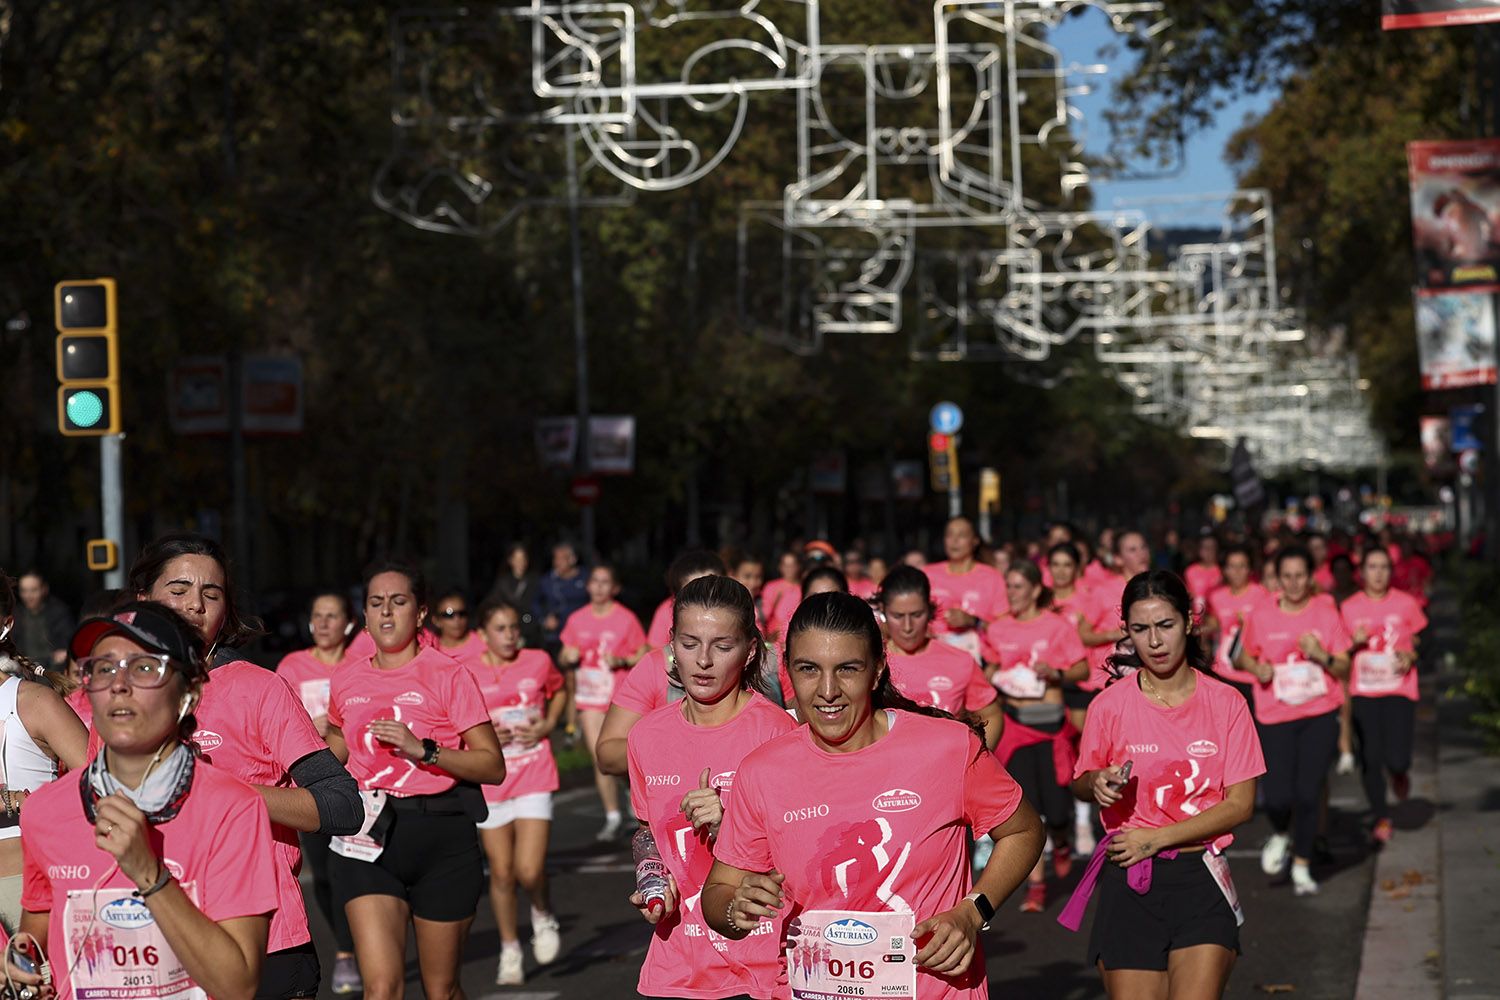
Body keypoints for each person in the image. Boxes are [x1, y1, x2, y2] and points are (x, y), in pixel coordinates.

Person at [702, 592, 1044, 1000]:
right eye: (809, 669)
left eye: (847, 669)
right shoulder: (762, 771)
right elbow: (718, 891)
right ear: (788, 672)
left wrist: (973, 911)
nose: (828, 690)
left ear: (877, 669)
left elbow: (1024, 831)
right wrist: (734, 908)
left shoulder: (948, 748)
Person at [128, 532, 362, 998]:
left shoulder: (260, 689)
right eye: (178, 591)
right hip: (150, 941)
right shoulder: (118, 693)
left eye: (210, 594)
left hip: (265, 942)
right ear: (143, 602)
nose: (195, 604)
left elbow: (342, 805)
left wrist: (219, 789)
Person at [16, 602, 280, 999]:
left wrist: (150, 875)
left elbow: (237, 986)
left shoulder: (233, 808)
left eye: (143, 668)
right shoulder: (44, 811)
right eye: (103, 669)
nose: (119, 684)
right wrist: (22, 965)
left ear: (188, 695)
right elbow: (34, 938)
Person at [1063, 571, 1264, 999]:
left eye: (1165, 626)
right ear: (1127, 632)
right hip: (1130, 878)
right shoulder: (1108, 706)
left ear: (1189, 623)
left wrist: (1156, 838)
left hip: (1200, 876)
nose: (1154, 641)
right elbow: (1080, 782)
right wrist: (1096, 782)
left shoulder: (1226, 703)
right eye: (1140, 629)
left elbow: (1241, 804)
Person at [324, 560, 506, 1000]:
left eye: (399, 602)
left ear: (421, 612)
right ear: (363, 615)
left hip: (441, 835)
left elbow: (492, 766)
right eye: (376, 603)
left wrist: (424, 750)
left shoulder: (448, 674)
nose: (387, 613)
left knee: (440, 989)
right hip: (366, 837)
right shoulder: (347, 679)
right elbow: (334, 748)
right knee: (382, 988)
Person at [625, 576, 797, 998]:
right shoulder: (646, 736)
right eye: (689, 643)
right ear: (671, 645)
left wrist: (732, 826)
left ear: (750, 650)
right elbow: (650, 832)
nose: (703, 660)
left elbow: (806, 855)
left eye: (722, 646)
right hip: (677, 967)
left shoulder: (778, 733)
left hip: (761, 968)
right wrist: (655, 878)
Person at [1234, 546, 1352, 896]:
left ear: (1311, 576)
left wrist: (1322, 655)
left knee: (1308, 791)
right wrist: (1257, 668)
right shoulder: (1261, 613)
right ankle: (1281, 833)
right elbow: (1240, 657)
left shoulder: (1326, 611)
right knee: (1277, 797)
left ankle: (1301, 863)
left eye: (1300, 575)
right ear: (1277, 578)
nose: (1294, 583)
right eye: (1287, 576)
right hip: (1274, 714)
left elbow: (1344, 666)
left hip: (1319, 711)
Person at [463, 599, 566, 985]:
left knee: (528, 868)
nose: (509, 635)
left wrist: (549, 725)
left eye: (513, 627)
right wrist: (484, 736)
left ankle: (542, 912)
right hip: (491, 780)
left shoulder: (538, 659)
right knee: (503, 873)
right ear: (482, 635)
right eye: (500, 628)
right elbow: (457, 719)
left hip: (534, 771)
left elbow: (559, 690)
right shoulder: (467, 671)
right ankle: (509, 948)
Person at [983, 562, 1089, 911]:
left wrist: (1054, 672)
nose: (1010, 593)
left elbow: (1082, 669)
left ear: (1033, 589)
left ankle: (1061, 841)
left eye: (1016, 586)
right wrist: (996, 674)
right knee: (1028, 809)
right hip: (1015, 724)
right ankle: (1037, 888)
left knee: (1057, 811)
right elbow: (990, 669)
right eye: (1008, 587)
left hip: (1050, 726)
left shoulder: (1055, 626)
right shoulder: (998, 629)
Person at [276, 591, 362, 994]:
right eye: (318, 615)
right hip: (311, 786)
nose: (324, 623)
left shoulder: (359, 664)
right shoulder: (291, 667)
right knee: (325, 876)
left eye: (333, 615)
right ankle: (347, 952)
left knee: (358, 873)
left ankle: (367, 943)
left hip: (363, 781)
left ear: (348, 623)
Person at [0, 572, 89, 934]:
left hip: (25, 888)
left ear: (5, 624)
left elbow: (101, 787)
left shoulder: (34, 701)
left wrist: (22, 801)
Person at [1338, 548, 1428, 845]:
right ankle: (1381, 816)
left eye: (1384, 567)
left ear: (1391, 571)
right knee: (1371, 757)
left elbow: (1418, 640)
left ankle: (1400, 775)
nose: (1378, 573)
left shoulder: (1406, 603)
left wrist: (1410, 654)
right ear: (1361, 572)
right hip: (1364, 691)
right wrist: (1354, 643)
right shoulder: (1348, 608)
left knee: (1398, 758)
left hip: (1399, 689)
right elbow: (1338, 652)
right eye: (1372, 567)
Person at [559, 564, 650, 841]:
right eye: (594, 581)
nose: (598, 587)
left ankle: (630, 794)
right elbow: (563, 656)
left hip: (620, 697)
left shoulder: (626, 619)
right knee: (601, 756)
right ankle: (612, 817)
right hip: (589, 698)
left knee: (621, 758)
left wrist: (622, 660)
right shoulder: (576, 619)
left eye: (604, 582)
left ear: (614, 588)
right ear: (588, 586)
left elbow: (643, 653)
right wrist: (568, 656)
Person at [877, 566, 1002, 750]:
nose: (907, 626)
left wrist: (975, 760)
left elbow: (992, 714)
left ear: (929, 609)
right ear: (883, 611)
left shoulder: (960, 661)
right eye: (898, 616)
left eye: (916, 615)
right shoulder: (873, 662)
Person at [924, 517, 1006, 664]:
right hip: (934, 657)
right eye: (950, 535)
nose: (954, 541)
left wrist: (973, 621)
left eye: (961, 535)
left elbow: (1005, 627)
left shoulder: (992, 577)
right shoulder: (928, 574)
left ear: (975, 541)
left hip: (979, 660)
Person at [1080, 530, 1153, 692]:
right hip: (1107, 681)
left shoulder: (1157, 588)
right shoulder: (1103, 591)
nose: (1141, 554)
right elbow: (1082, 635)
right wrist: (1113, 634)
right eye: (1132, 550)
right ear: (1118, 559)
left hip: (1146, 680)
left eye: (1144, 547)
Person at [1203, 545, 1269, 700]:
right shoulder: (1216, 597)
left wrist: (1249, 623)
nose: (1237, 572)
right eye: (1232, 567)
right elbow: (1213, 624)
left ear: (1250, 569)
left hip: (1251, 673)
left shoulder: (1261, 594)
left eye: (1242, 566)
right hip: (1223, 672)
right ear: (1224, 570)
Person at [646, 550, 728, 647]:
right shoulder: (665, 612)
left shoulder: (739, 613)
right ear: (675, 599)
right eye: (693, 595)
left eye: (711, 590)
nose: (705, 601)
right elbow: (655, 649)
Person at [536, 542, 589, 654]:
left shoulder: (586, 578)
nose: (557, 562)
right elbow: (534, 604)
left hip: (583, 634)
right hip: (556, 636)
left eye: (562, 559)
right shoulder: (547, 581)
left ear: (572, 559)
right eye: (555, 559)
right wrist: (544, 619)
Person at [13, 571, 72, 669]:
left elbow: (67, 640)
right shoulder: (16, 615)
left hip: (52, 667)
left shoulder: (58, 612)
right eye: (24, 591)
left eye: (33, 590)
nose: (28, 596)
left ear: (44, 589)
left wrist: (62, 652)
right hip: (24, 668)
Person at [489, 542, 542, 647]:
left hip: (530, 630)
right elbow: (494, 603)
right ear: (510, 561)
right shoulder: (503, 582)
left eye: (523, 559)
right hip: (510, 629)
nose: (520, 563)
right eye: (516, 559)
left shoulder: (535, 580)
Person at [428, 589, 486, 660]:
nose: (457, 619)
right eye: (449, 615)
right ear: (436, 621)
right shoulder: (430, 648)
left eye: (462, 613)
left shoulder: (484, 642)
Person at [760, 549, 802, 644]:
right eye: (786, 565)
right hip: (771, 638)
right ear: (780, 567)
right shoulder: (771, 586)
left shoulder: (802, 589)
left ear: (798, 567)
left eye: (792, 565)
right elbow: (763, 615)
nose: (789, 569)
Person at [1184, 535, 1223, 615]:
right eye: (1205, 548)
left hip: (1216, 618)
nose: (1209, 551)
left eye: (1212, 548)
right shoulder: (1190, 571)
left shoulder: (1223, 571)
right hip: (1196, 619)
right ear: (1199, 550)